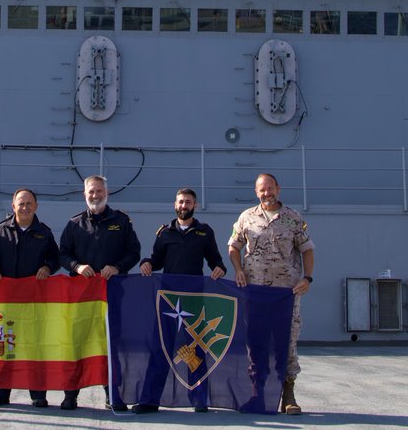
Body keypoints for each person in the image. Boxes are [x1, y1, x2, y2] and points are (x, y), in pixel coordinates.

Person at [133, 187, 227, 414]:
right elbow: (156, 260)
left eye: (188, 202)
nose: (184, 206)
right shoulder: (164, 233)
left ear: (194, 205)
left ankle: (199, 399)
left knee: (196, 349)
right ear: (175, 205)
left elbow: (216, 261)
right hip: (168, 301)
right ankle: (150, 399)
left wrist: (219, 269)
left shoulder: (205, 232)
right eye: (180, 202)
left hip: (194, 300)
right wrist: (146, 262)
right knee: (161, 348)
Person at [227, 173, 314, 415]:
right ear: (256, 192)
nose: (267, 193)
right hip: (256, 293)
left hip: (286, 293)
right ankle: (258, 394)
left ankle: (288, 394)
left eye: (270, 188)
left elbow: (307, 249)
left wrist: (307, 277)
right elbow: (233, 246)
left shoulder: (293, 218)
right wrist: (238, 270)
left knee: (287, 341)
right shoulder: (247, 217)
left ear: (278, 188)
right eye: (262, 190)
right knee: (256, 343)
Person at [58, 174, 140, 411]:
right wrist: (77, 266)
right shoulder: (74, 224)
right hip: (81, 296)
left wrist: (118, 267)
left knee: (109, 344)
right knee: (77, 343)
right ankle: (70, 394)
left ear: (107, 192)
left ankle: (111, 393)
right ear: (85, 194)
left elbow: (133, 252)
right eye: (91, 192)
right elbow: (63, 253)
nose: (95, 195)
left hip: (111, 293)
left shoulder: (121, 221)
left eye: (99, 191)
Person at [0, 188, 60, 408]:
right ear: (13, 206)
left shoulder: (44, 233)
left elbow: (55, 257)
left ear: (35, 206)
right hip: (5, 300)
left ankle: (37, 392)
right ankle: (0, 391)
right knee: (3, 345)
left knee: (33, 345)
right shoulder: (0, 230)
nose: (24, 207)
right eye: (20, 203)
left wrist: (47, 266)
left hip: (33, 300)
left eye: (29, 203)